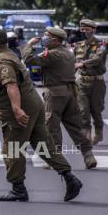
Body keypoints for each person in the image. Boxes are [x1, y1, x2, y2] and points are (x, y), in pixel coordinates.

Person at [0, 29, 83, 202]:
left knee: (12, 149)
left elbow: (11, 85)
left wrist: (17, 110)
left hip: (19, 109)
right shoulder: (5, 53)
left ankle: (18, 188)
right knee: (43, 144)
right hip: (34, 105)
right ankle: (70, 177)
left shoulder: (2, 62)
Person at [21, 26, 97, 169]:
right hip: (70, 92)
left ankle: (54, 159)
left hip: (55, 93)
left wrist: (29, 45)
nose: (44, 38)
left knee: (51, 126)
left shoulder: (53, 54)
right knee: (75, 127)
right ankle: (88, 155)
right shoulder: (68, 53)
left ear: (55, 40)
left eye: (47, 36)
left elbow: (29, 60)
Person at [74, 19, 107, 145]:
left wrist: (82, 64)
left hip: (97, 83)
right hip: (82, 82)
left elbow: (97, 59)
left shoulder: (101, 44)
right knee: (83, 111)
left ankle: (98, 134)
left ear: (93, 30)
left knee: (96, 110)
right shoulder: (77, 45)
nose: (84, 32)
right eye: (82, 29)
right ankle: (86, 136)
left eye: (87, 29)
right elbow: (72, 63)